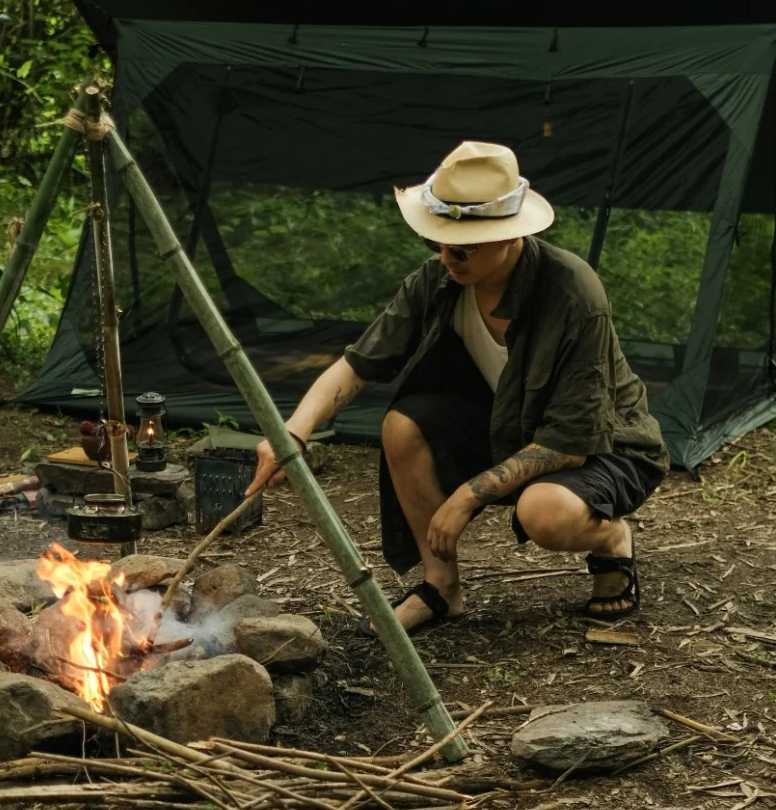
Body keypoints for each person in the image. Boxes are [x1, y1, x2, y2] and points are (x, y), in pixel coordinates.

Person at [249, 140, 671, 635]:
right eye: (437, 241)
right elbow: (357, 366)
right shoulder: (437, 281)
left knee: (546, 513)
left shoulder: (572, 292)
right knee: (403, 425)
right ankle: (441, 588)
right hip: (508, 428)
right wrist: (293, 433)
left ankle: (610, 537)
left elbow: (572, 441)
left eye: (462, 247)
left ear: (510, 237)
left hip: (605, 446)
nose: (446, 256)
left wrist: (467, 496)